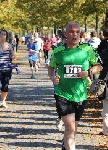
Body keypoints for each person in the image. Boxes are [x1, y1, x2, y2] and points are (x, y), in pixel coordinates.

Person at [48, 21, 102, 150]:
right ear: (66, 34)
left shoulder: (87, 49)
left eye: (77, 32)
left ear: (81, 34)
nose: (75, 34)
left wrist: (88, 72)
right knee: (70, 127)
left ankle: (65, 145)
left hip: (80, 94)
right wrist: (52, 78)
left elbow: (99, 66)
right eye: (71, 32)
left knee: (73, 129)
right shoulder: (58, 51)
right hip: (62, 94)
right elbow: (51, 68)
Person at [0, 29, 16, 108]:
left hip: (7, 68)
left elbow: (13, 55)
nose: (3, 36)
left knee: (5, 86)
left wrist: (13, 57)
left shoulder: (9, 46)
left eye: (4, 34)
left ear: (6, 36)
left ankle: (3, 101)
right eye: (1, 34)